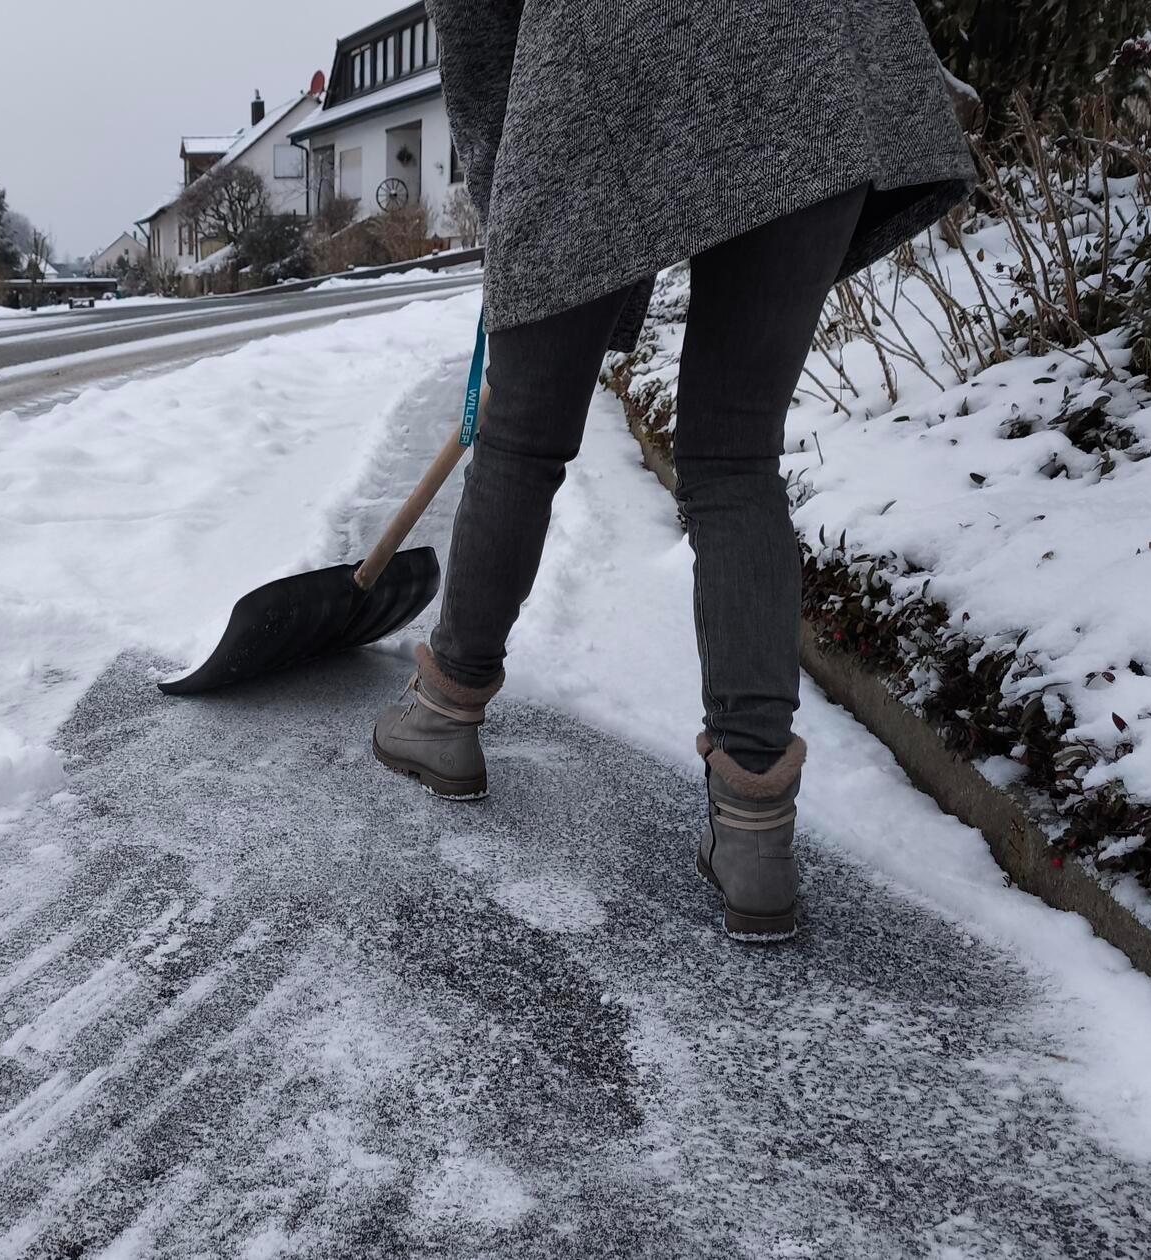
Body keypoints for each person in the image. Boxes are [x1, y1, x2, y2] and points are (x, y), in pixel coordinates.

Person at [373, 2, 976, 942]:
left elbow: (481, 26)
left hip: (599, 68)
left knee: (524, 433)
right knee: (735, 456)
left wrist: (515, 203)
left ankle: (444, 709)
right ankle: (755, 836)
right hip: (812, 67)